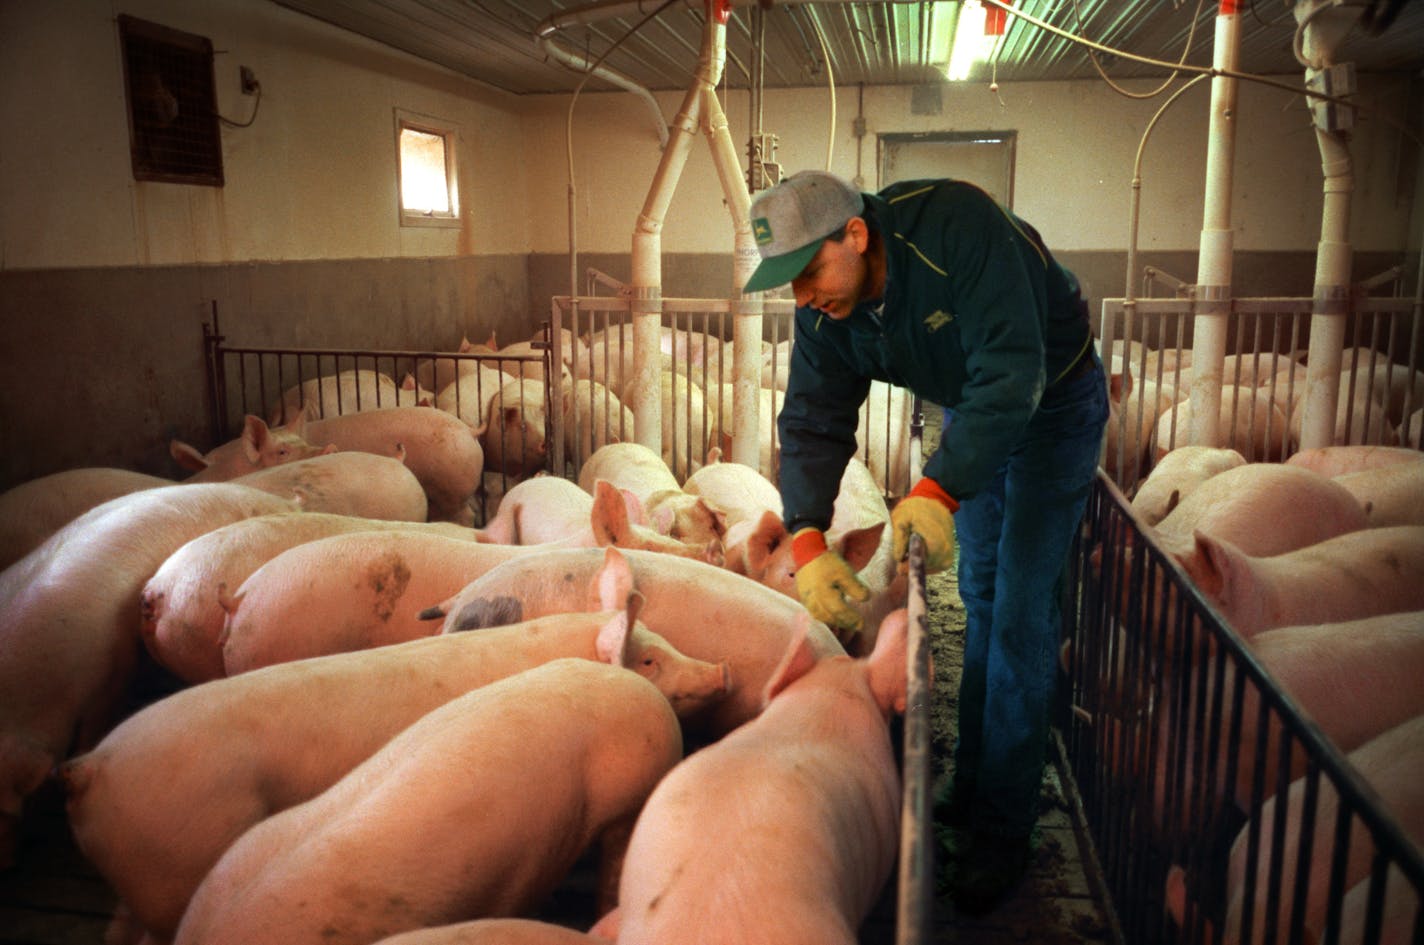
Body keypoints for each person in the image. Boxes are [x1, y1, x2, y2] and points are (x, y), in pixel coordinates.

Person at [742, 170, 1107, 915]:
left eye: (809, 271)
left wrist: (937, 488)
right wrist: (807, 535)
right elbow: (813, 419)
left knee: (1020, 610)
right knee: (978, 593)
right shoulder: (825, 316)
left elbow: (1012, 371)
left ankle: (1003, 829)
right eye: (790, 284)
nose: (805, 296)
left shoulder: (957, 228)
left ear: (856, 233)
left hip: (1053, 401)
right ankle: (972, 775)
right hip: (969, 409)